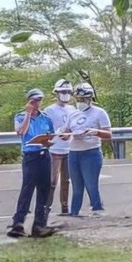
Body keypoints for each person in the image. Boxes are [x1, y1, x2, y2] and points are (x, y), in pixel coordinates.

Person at [7, 88, 58, 238]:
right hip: (30, 156)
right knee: (28, 188)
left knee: (44, 189)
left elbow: (51, 135)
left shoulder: (46, 118)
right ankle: (18, 223)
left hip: (43, 154)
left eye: (39, 100)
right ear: (29, 101)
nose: (37, 104)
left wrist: (48, 142)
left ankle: (39, 224)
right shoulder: (20, 116)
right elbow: (21, 132)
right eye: (34, 101)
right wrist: (28, 114)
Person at [65, 82, 111, 217]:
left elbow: (108, 134)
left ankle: (97, 208)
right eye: (78, 99)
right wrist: (63, 134)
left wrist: (93, 132)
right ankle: (74, 212)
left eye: (83, 99)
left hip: (91, 152)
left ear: (89, 99)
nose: (80, 102)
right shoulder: (73, 114)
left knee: (91, 184)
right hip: (74, 153)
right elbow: (66, 131)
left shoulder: (99, 113)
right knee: (76, 186)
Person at [41, 78, 75, 216]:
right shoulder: (49, 110)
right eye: (63, 91)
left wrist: (69, 134)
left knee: (66, 181)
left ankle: (65, 208)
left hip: (69, 149)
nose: (65, 94)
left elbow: (75, 126)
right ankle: (45, 208)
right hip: (54, 150)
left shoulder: (72, 109)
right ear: (56, 93)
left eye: (68, 91)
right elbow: (44, 129)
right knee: (52, 181)